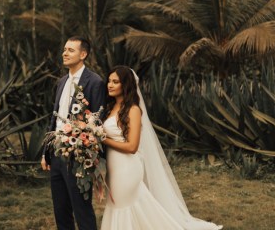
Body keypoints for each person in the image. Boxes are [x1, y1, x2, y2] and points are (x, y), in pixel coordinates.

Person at [101, 65, 222, 230]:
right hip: (112, 166)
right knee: (116, 203)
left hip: (127, 167)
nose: (110, 84)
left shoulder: (133, 110)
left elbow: (132, 147)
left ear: (126, 85)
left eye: (115, 82)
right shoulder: (110, 108)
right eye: (109, 81)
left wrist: (102, 138)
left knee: (125, 203)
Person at [41, 36, 106, 230]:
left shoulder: (94, 82)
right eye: (64, 49)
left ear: (83, 54)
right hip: (57, 154)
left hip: (79, 155)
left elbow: (98, 119)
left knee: (81, 209)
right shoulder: (61, 82)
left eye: (70, 50)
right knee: (61, 210)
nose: (64, 53)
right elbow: (55, 118)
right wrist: (46, 152)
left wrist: (90, 155)